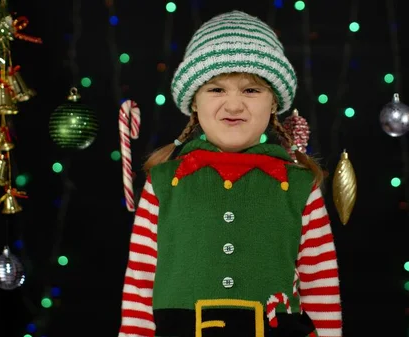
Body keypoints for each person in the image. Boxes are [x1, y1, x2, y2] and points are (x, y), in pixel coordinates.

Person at [118, 10, 342, 337]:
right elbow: (140, 285)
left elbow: (320, 289)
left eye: (251, 90)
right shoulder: (164, 183)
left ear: (273, 103)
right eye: (216, 89)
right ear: (194, 102)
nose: (234, 105)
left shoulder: (299, 186)